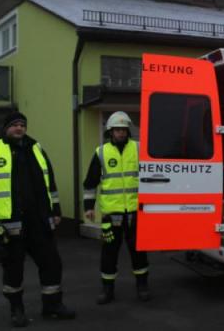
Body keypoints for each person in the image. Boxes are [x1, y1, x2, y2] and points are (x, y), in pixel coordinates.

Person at [0, 111, 76, 327]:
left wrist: (56, 210)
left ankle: (52, 305)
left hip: (39, 221)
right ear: (5, 128)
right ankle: (16, 309)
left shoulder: (36, 149)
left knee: (52, 263)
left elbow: (50, 183)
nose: (19, 128)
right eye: (14, 125)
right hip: (9, 224)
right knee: (13, 269)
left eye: (22, 125)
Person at [82, 111, 149, 304]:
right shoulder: (101, 152)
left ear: (128, 131)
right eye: (117, 129)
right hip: (111, 215)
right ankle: (107, 289)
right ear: (110, 131)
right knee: (109, 253)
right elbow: (90, 183)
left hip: (136, 213)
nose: (121, 132)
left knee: (138, 251)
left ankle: (142, 286)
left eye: (123, 129)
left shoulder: (139, 149)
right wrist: (89, 207)